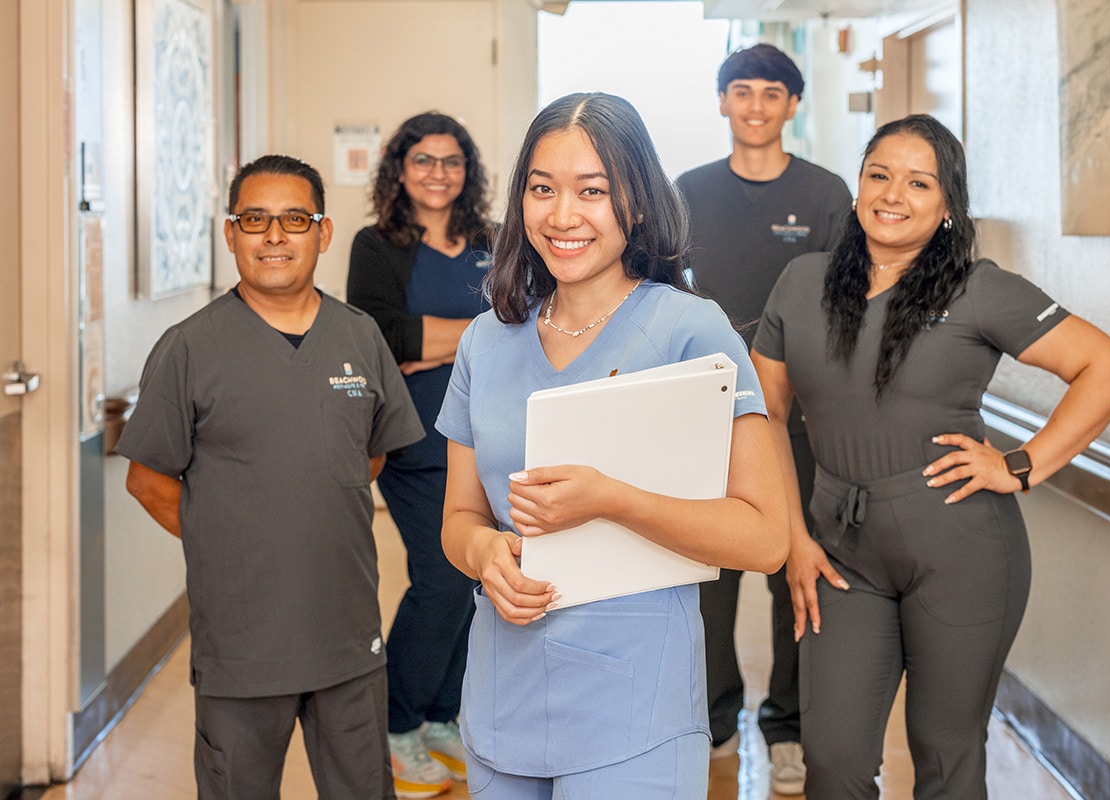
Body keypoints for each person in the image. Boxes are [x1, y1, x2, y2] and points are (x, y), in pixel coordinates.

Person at [751, 114, 1110, 799]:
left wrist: (1020, 465)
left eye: (918, 182)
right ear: (857, 188)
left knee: (945, 754)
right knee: (833, 759)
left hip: (962, 550)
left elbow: (1108, 368)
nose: (893, 193)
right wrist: (791, 539)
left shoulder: (980, 288)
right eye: (879, 174)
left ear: (947, 207)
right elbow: (763, 416)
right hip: (838, 554)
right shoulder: (801, 283)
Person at [436, 92, 789, 799]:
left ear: (635, 203)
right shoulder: (486, 341)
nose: (563, 216)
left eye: (591, 191)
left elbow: (764, 538)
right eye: (542, 189)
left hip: (635, 713)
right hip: (505, 699)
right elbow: (460, 519)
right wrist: (484, 555)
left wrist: (613, 499)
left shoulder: (692, 331)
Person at [117, 154, 425, 800]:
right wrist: (228, 539)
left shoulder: (360, 336)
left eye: (294, 219)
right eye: (256, 219)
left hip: (346, 631)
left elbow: (366, 457)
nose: (276, 235)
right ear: (230, 234)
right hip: (242, 640)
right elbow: (147, 480)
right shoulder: (189, 347)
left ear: (323, 233)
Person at [675, 42, 851, 792]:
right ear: (721, 101)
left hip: (797, 417)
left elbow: (848, 304)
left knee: (794, 571)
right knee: (707, 573)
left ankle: (788, 726)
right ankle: (714, 722)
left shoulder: (824, 194)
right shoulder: (686, 190)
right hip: (702, 416)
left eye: (771, 94)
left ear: (792, 106)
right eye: (741, 92)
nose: (754, 106)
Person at [346, 112, 494, 798]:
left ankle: (440, 714)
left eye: (452, 160)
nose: (439, 173)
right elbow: (378, 337)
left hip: (490, 439)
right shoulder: (377, 245)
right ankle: (396, 724)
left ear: (468, 171)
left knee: (474, 583)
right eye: (423, 160)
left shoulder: (493, 241)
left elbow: (531, 317)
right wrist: (481, 333)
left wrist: (430, 340)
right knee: (439, 578)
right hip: (416, 441)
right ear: (399, 169)